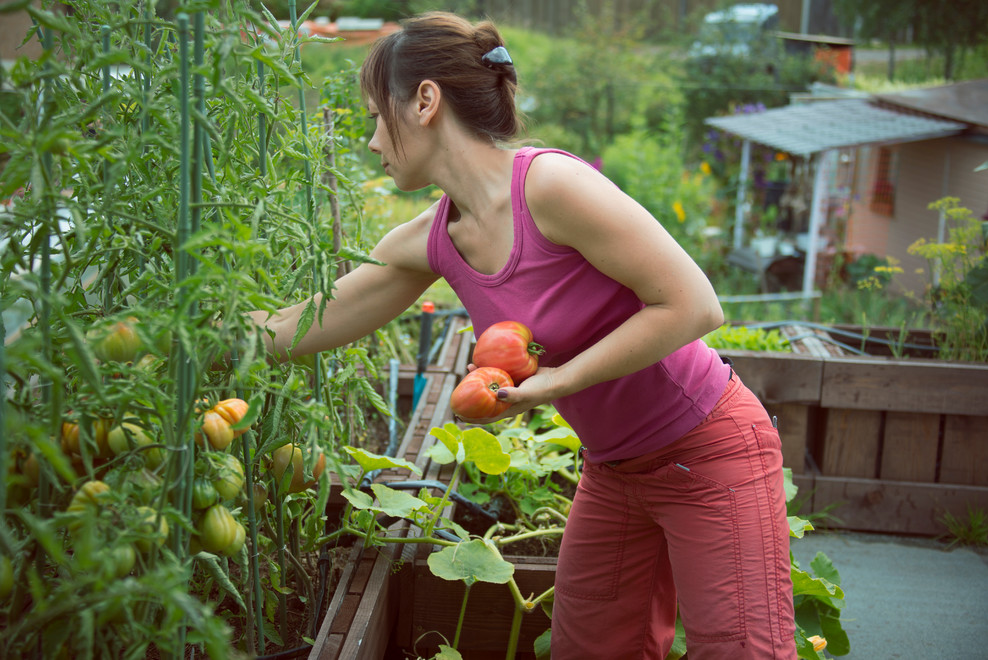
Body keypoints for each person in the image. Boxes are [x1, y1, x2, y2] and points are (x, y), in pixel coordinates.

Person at [248, 11, 796, 659]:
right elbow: (308, 320)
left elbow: (693, 305)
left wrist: (557, 382)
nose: (371, 140)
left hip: (708, 451)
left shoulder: (551, 187)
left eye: (375, 115)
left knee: (742, 650)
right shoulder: (437, 238)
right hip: (616, 470)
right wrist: (198, 337)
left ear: (425, 101)